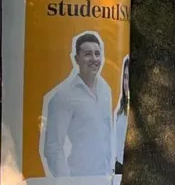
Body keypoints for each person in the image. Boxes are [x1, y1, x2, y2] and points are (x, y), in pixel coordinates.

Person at [41, 31, 115, 177]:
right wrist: (67, 184)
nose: (94, 59)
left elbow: (107, 135)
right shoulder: (64, 96)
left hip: (106, 179)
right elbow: (53, 147)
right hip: (81, 180)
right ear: (77, 59)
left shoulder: (105, 90)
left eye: (97, 53)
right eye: (88, 54)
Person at [112, 56, 131, 174]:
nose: (126, 82)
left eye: (129, 78)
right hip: (117, 167)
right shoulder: (118, 109)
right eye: (124, 77)